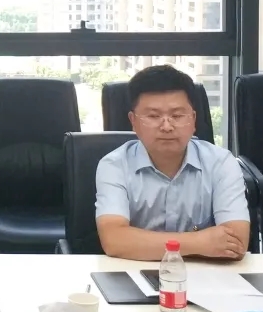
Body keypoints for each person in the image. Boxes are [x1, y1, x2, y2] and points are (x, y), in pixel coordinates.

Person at [95, 65, 250, 261]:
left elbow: (237, 243)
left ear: (193, 120)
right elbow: (114, 240)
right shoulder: (114, 165)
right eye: (153, 116)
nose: (167, 126)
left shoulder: (221, 162)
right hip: (134, 271)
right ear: (133, 121)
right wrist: (200, 242)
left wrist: (142, 243)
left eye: (177, 116)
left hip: (207, 272)